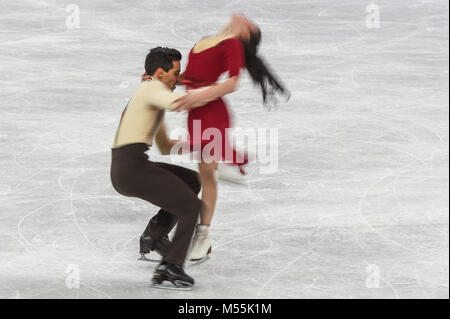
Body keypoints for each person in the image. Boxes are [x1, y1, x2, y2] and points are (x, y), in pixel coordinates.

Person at [171, 14, 289, 261]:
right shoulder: (209, 40)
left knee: (206, 176)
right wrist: (165, 78)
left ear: (245, 34)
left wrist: (198, 95)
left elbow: (233, 83)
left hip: (212, 114)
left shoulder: (232, 44)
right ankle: (220, 165)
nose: (244, 17)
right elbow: (193, 76)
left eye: (250, 23)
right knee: (206, 171)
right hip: (197, 113)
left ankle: (203, 236)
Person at [110, 47, 210, 290]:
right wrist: (215, 87)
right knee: (192, 207)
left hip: (129, 166)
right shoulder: (152, 87)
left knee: (192, 180)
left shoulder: (151, 94)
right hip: (131, 169)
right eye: (176, 72)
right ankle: (170, 267)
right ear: (159, 73)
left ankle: (154, 236)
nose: (179, 77)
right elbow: (180, 103)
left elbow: (164, 146)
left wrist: (202, 145)